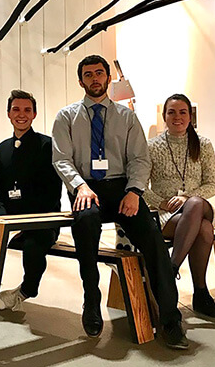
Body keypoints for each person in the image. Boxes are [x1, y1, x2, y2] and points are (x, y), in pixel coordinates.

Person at [51, 54, 189, 349]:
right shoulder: (66, 117)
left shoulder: (126, 117)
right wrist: (80, 186)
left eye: (99, 73)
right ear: (81, 81)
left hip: (121, 188)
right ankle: (91, 299)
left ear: (108, 78)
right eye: (88, 75)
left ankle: (170, 319)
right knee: (86, 224)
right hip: (85, 188)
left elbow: (140, 158)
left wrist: (135, 191)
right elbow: (61, 159)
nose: (95, 79)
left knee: (152, 238)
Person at [146, 93, 215, 318]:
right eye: (171, 112)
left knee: (196, 204)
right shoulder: (151, 146)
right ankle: (201, 294)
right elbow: (140, 186)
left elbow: (212, 184)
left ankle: (170, 270)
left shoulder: (203, 144)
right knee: (204, 229)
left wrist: (187, 197)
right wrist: (161, 202)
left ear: (190, 116)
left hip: (199, 207)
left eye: (183, 112)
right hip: (167, 214)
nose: (177, 117)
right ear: (164, 116)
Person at [0, 90, 63, 311]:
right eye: (16, 109)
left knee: (33, 245)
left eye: (27, 110)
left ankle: (27, 290)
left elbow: (52, 192)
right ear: (8, 113)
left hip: (43, 220)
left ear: (34, 114)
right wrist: (1, 213)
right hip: (11, 220)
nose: (21, 114)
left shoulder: (47, 146)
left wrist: (25, 222)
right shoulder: (2, 149)